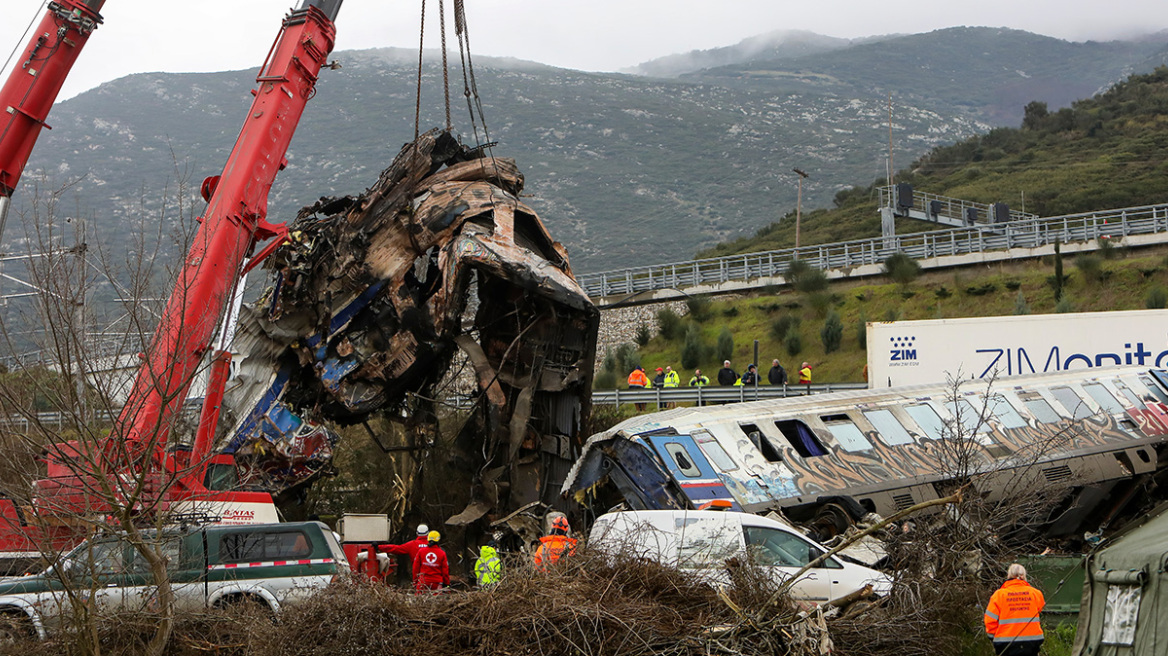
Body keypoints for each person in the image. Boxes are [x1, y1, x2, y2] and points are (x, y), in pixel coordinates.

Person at [984, 563, 1045, 655]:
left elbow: (990, 621)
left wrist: (994, 637)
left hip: (1005, 643)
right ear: (1024, 576)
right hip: (1032, 641)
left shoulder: (999, 595)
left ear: (1009, 575)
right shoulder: (1035, 593)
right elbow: (1040, 608)